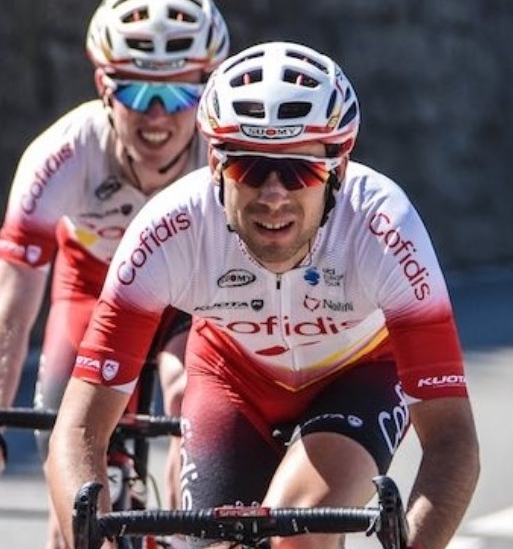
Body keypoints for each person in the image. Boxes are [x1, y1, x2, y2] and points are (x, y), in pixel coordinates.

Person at [44, 41, 480, 549]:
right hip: (232, 375)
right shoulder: (168, 231)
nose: (274, 193)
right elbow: (78, 430)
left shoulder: (384, 228)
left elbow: (452, 442)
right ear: (215, 164)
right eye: (249, 167)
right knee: (218, 541)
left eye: (299, 169)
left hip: (358, 373)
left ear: (337, 169)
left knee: (302, 525)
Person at [0, 0, 230, 547]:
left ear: (207, 90)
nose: (156, 117)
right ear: (103, 87)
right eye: (135, 92)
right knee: (67, 459)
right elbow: (10, 310)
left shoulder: (225, 159)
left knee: (192, 408)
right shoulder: (62, 157)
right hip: (93, 294)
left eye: (177, 95)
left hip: (192, 299)